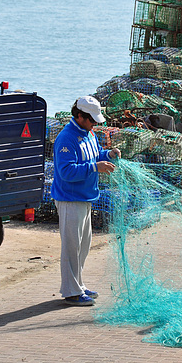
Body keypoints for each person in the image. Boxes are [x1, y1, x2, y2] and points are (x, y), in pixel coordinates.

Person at [51, 96, 121, 306]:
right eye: (91, 120)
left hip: (86, 196)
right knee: (71, 247)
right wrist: (93, 167)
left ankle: (78, 285)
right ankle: (71, 291)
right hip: (70, 199)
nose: (94, 124)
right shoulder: (67, 138)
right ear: (79, 116)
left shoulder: (88, 133)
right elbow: (66, 171)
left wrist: (107, 154)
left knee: (83, 245)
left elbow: (95, 154)